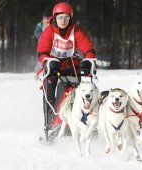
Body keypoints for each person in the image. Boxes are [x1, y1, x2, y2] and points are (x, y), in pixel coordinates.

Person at [37, 2, 97, 141]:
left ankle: (85, 121)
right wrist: (48, 61)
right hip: (53, 65)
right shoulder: (49, 31)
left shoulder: (76, 31)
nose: (63, 21)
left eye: (66, 18)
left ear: (70, 18)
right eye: (60, 18)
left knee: (82, 91)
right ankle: (51, 123)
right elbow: (42, 51)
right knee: (49, 91)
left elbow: (88, 49)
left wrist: (88, 61)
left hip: (71, 65)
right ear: (54, 18)